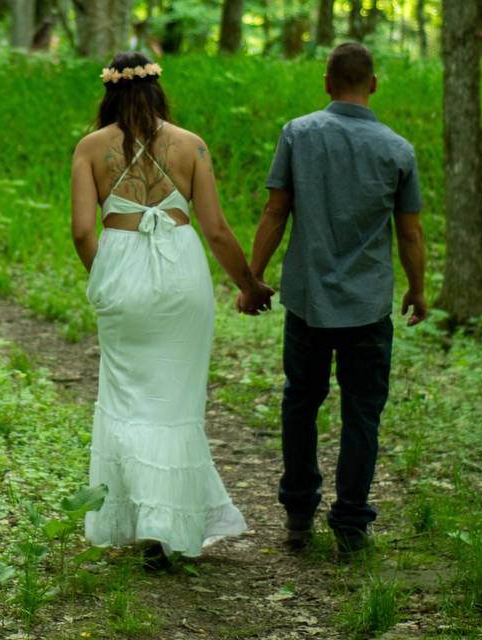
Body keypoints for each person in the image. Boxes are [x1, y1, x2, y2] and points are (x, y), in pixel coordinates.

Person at [71, 51, 274, 565]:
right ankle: (167, 525)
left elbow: (80, 230)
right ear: (157, 91)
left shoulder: (90, 149)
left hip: (121, 278)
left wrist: (105, 277)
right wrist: (248, 285)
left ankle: (141, 520)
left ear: (109, 93)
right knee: (177, 404)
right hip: (182, 281)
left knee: (125, 397)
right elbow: (216, 231)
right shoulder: (192, 147)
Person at [239, 42, 427, 556]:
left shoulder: (299, 134)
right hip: (368, 306)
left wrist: (251, 278)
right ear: (373, 83)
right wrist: (418, 288)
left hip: (308, 300)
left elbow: (275, 211)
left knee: (301, 402)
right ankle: (350, 525)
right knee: (362, 413)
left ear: (326, 82)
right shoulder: (397, 149)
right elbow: (410, 234)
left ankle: (299, 515)